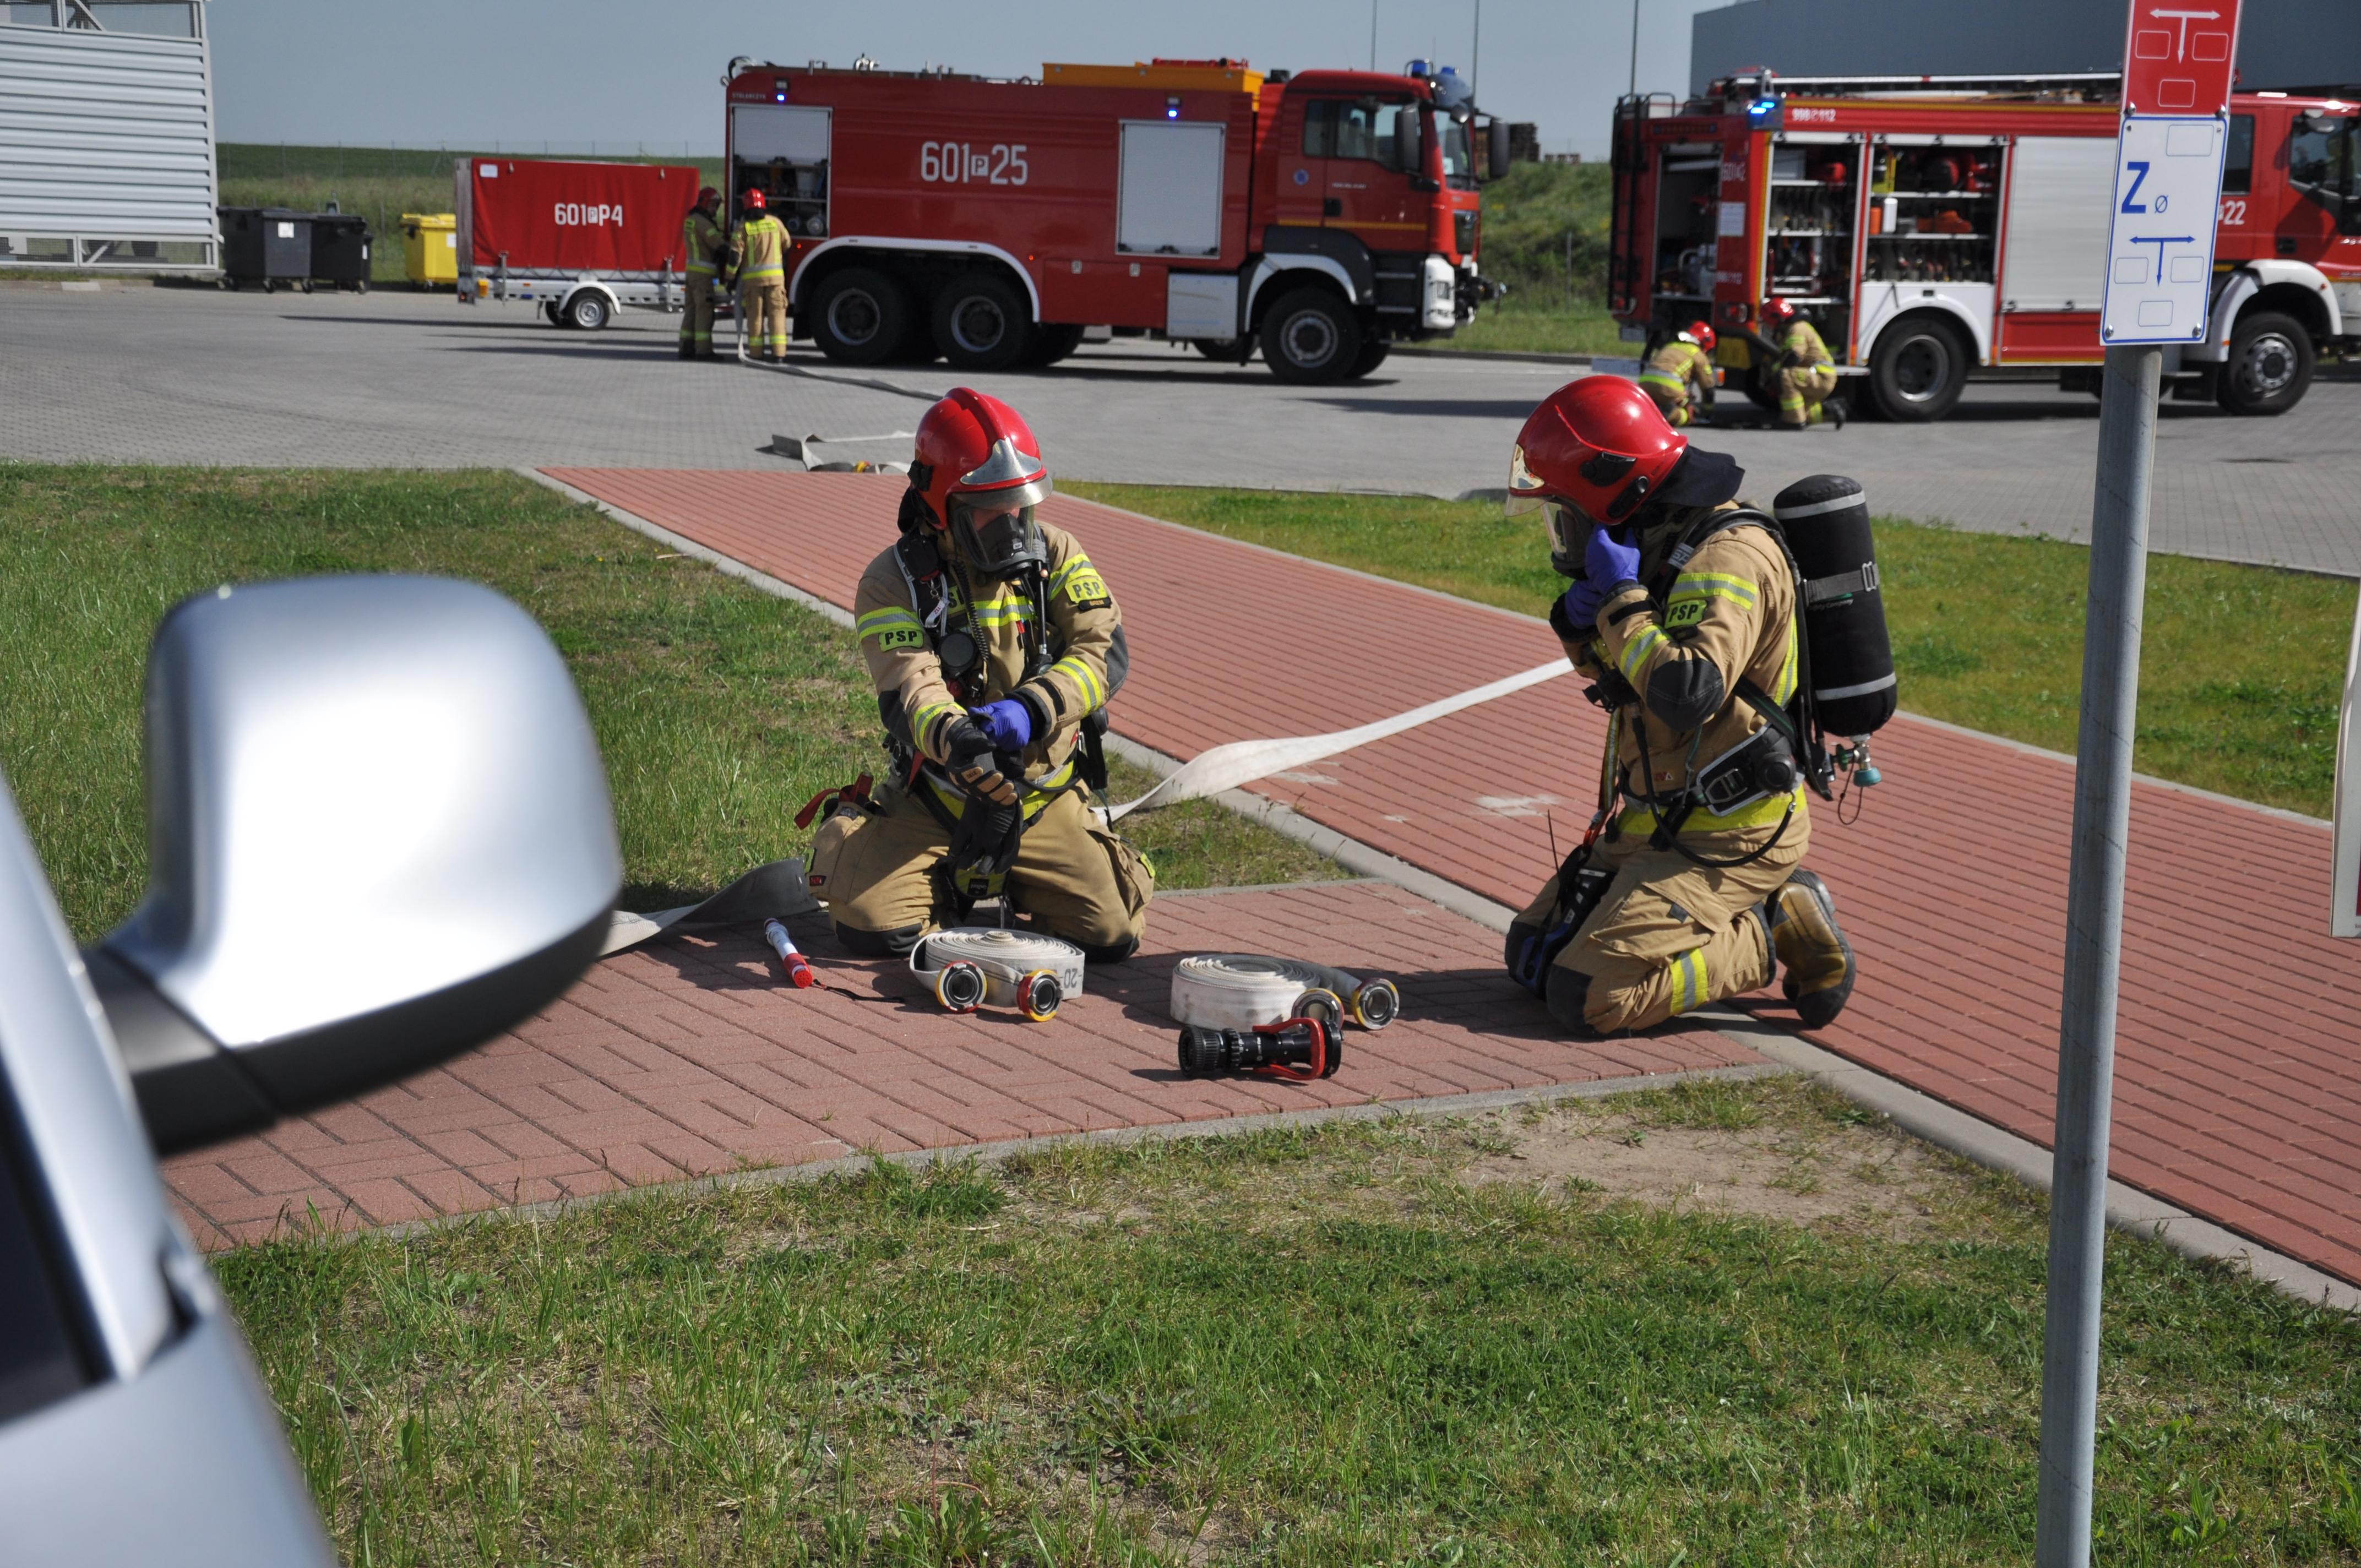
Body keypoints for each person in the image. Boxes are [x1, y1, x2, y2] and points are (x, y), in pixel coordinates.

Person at [1504, 375, 1857, 1035]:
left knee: (1588, 997)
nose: (1564, 533)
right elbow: (1623, 678)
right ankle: (1768, 908)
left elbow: (1687, 693)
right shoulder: (1659, 543)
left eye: (1566, 512)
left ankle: (1761, 929)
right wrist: (1578, 622)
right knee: (1531, 956)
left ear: (1615, 489)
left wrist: (1621, 602)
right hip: (1654, 819)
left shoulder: (1727, 558)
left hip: (1730, 831)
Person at [809, 388, 1154, 961]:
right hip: (938, 794)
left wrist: (1034, 708)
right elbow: (909, 686)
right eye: (990, 509)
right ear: (941, 507)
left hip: (1044, 792)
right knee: (871, 927)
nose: (1012, 524)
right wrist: (960, 740)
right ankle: (947, 884)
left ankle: (1027, 875)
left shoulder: (1056, 553)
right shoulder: (891, 582)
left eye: (1020, 503)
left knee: (1109, 934)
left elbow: (1103, 652)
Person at [1760, 298, 1843, 430]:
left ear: (1776, 318)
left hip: (1821, 377)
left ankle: (1794, 422)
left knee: (1785, 375)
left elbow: (1794, 357)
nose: (1767, 326)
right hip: (1814, 376)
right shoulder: (1788, 330)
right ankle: (1830, 411)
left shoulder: (1797, 328)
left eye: (1767, 322)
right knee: (1800, 410)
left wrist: (1774, 376)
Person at [728, 188, 790, 362]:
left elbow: (734, 257)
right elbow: (787, 244)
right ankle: (779, 355)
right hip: (776, 281)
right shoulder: (776, 223)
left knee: (755, 318)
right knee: (777, 317)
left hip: (753, 283)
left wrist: (730, 279)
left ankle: (756, 354)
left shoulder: (742, 228)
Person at [1638, 320, 1717, 428]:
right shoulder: (1698, 355)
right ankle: (1669, 416)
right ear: (1705, 343)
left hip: (1644, 386)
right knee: (1686, 414)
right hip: (1669, 390)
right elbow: (1708, 388)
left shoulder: (1670, 346)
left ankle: (1647, 416)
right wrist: (1707, 412)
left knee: (1654, 407)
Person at [678, 187, 726, 361]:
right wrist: (733, 252)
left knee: (691, 311)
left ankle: (686, 347)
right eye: (713, 205)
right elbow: (718, 244)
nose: (715, 210)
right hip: (703, 276)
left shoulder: (691, 220)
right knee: (704, 312)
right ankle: (704, 351)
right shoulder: (703, 223)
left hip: (692, 274)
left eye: (717, 206)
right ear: (705, 203)